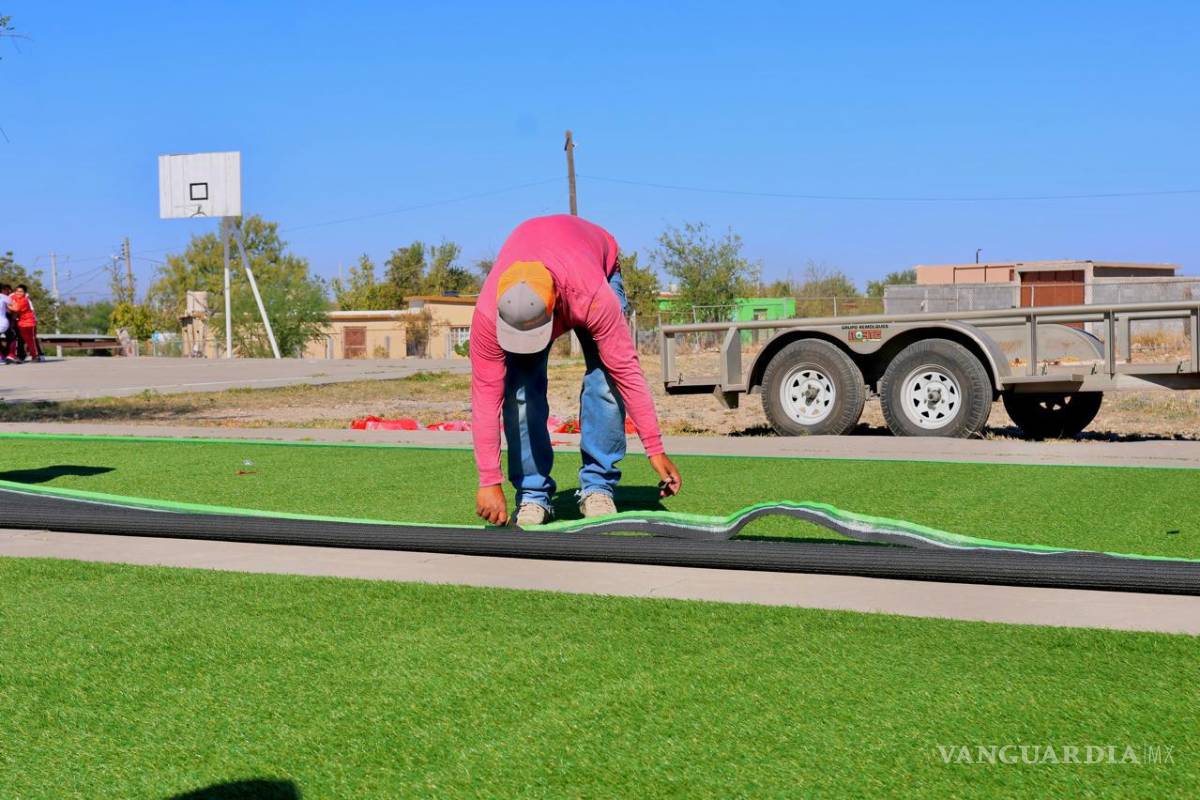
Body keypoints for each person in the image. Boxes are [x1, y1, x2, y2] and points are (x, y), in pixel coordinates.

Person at [470, 214, 683, 527]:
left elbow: (626, 371)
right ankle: (532, 494)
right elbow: (486, 400)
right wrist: (489, 480)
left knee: (606, 379)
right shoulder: (488, 316)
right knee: (521, 389)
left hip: (596, 267)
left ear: (555, 303)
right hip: (555, 264)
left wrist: (654, 448)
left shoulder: (591, 296)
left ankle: (598, 486)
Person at [8, 285, 43, 362]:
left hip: (29, 323)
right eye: (17, 291)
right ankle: (21, 356)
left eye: (21, 291)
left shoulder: (24, 300)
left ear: (24, 293)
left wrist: (7, 305)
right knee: (22, 340)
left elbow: (16, 309)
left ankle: (36, 356)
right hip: (21, 323)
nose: (18, 293)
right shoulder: (15, 298)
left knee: (31, 340)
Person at [0, 284, 15, 364]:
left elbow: (12, 308)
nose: (9, 291)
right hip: (4, 322)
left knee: (11, 336)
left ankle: (4, 355)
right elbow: (13, 306)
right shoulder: (4, 297)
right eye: (7, 290)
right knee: (12, 337)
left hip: (4, 322)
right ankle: (6, 355)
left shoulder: (4, 297)